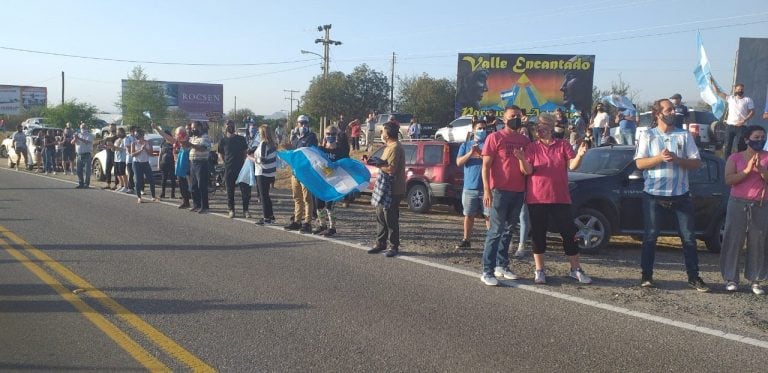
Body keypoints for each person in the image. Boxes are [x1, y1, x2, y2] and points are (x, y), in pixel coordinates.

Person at [634, 98, 709, 292]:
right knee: (650, 237)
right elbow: (640, 164)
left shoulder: (683, 136)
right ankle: (646, 276)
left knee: (689, 238)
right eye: (668, 110)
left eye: (674, 109)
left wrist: (677, 159)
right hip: (653, 195)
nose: (673, 112)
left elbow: (696, 163)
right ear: (658, 114)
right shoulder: (648, 135)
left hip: (680, 195)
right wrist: (659, 157)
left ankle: (694, 277)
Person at [518, 114, 592, 284]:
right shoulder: (532, 147)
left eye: (542, 126)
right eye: (537, 126)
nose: (539, 129)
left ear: (551, 127)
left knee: (568, 234)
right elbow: (527, 171)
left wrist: (580, 155)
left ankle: (575, 269)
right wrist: (522, 159)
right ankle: (539, 270)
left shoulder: (562, 145)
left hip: (560, 197)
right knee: (538, 235)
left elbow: (572, 165)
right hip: (537, 197)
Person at [478, 105, 530, 286]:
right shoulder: (495, 137)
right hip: (499, 191)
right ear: (504, 118)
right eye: (512, 115)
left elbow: (528, 166)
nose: (515, 118)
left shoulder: (524, 140)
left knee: (509, 230)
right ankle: (487, 270)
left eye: (518, 115)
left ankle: (502, 265)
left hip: (518, 190)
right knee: (495, 231)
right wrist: (486, 190)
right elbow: (485, 167)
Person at [720, 125, 768, 295]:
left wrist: (761, 170)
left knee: (759, 241)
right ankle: (731, 278)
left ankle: (756, 280)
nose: (760, 140)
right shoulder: (735, 157)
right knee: (733, 239)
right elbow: (729, 180)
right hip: (737, 203)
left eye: (763, 137)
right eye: (756, 137)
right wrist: (747, 170)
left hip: (761, 204)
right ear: (747, 139)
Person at [367, 121, 406, 258]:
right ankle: (380, 243)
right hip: (384, 189)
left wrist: (377, 165)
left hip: (393, 189)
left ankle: (393, 245)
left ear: (388, 134)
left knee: (390, 218)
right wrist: (373, 161)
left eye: (383, 131)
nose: (381, 134)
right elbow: (384, 163)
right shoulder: (388, 146)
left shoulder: (395, 147)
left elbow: (391, 169)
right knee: (380, 215)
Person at [455, 119, 490, 250]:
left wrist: (481, 154)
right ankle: (466, 240)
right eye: (479, 128)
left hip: (487, 188)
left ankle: (491, 242)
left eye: (484, 128)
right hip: (470, 187)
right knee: (469, 215)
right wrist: (470, 153)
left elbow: (493, 163)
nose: (482, 130)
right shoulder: (465, 145)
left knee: (489, 216)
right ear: (474, 130)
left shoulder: (489, 144)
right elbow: (459, 162)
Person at [283, 115, 318, 233]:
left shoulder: (311, 137)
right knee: (297, 197)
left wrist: (302, 137)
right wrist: (290, 143)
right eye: (300, 123)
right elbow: (293, 152)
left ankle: (307, 222)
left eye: (304, 123)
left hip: (306, 172)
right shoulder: (295, 138)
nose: (302, 125)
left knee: (307, 198)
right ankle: (297, 220)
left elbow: (310, 151)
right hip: (295, 171)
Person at [312, 126, 348, 236]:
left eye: (333, 134)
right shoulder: (320, 149)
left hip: (334, 182)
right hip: (321, 181)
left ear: (336, 135)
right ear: (324, 135)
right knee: (319, 205)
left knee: (330, 205)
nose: (330, 136)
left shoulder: (341, 150)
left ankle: (332, 227)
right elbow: (315, 162)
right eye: (328, 134)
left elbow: (345, 165)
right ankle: (322, 225)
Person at [712, 81, 755, 159]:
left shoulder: (748, 100)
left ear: (743, 90)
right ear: (735, 90)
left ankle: (741, 163)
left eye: (741, 89)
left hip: (742, 127)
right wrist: (713, 83)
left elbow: (752, 112)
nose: (740, 91)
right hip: (730, 126)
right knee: (728, 145)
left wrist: (744, 120)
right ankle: (727, 163)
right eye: (738, 89)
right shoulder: (730, 98)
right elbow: (718, 92)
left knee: (741, 145)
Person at [154, 123, 192, 209]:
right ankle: (185, 201)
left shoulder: (186, 141)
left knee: (187, 184)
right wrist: (157, 129)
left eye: (177, 134)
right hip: (178, 164)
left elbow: (171, 139)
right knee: (181, 184)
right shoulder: (177, 142)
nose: (175, 135)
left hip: (186, 164)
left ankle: (194, 201)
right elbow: (166, 137)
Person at [218, 120, 250, 218]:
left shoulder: (241, 139)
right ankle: (231, 210)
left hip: (241, 168)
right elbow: (221, 154)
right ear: (225, 127)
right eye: (228, 125)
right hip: (229, 169)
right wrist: (225, 163)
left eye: (231, 125)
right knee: (230, 191)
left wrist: (243, 162)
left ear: (234, 127)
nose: (230, 127)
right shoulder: (223, 141)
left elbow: (245, 152)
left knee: (245, 191)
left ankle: (246, 210)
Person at [252, 124, 277, 225]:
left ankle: (266, 218)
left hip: (262, 173)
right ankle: (271, 216)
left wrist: (251, 158)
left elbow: (262, 159)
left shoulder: (263, 144)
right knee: (266, 196)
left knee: (263, 196)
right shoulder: (272, 143)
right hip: (270, 173)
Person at [188, 121, 212, 213]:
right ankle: (196, 204)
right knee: (193, 186)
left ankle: (204, 206)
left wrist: (190, 145)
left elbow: (202, 148)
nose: (193, 130)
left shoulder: (205, 137)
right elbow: (188, 146)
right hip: (193, 163)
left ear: (200, 128)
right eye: (192, 128)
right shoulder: (193, 137)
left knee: (201, 185)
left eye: (195, 128)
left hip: (201, 163)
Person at [130, 129, 157, 203]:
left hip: (145, 163)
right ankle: (139, 197)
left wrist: (146, 149)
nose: (141, 138)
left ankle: (153, 196)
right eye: (139, 137)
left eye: (142, 136)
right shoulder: (134, 143)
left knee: (151, 179)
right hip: (137, 163)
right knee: (138, 180)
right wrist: (141, 150)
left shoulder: (148, 143)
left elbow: (151, 154)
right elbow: (132, 154)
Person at [72, 123, 94, 188]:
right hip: (79, 155)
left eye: (84, 127)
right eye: (82, 127)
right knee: (79, 170)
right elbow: (72, 142)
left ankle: (86, 184)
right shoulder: (78, 134)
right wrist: (75, 138)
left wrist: (79, 138)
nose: (83, 129)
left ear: (86, 128)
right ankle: (81, 183)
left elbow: (87, 142)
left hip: (87, 154)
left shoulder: (90, 135)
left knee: (87, 171)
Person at [158, 130, 177, 199]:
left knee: (173, 179)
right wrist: (158, 164)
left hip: (172, 163)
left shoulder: (173, 142)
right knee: (164, 179)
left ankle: (173, 194)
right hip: (164, 163)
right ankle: (163, 193)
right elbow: (160, 154)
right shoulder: (163, 143)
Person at [102, 123, 117, 189]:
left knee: (116, 170)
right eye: (111, 127)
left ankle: (116, 184)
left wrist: (112, 145)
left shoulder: (117, 136)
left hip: (115, 154)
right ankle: (108, 184)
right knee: (107, 169)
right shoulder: (107, 136)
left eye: (113, 127)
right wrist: (103, 146)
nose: (112, 128)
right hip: (108, 154)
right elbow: (104, 145)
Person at [113, 128, 128, 192]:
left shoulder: (125, 139)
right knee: (117, 173)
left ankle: (126, 186)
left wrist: (115, 147)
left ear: (122, 132)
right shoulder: (116, 140)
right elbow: (113, 149)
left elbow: (123, 149)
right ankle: (121, 185)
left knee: (122, 173)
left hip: (122, 159)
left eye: (118, 132)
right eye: (117, 132)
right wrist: (111, 147)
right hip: (116, 158)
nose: (117, 133)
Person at [123, 126, 136, 193]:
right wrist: (135, 149)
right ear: (131, 131)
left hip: (136, 159)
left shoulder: (137, 137)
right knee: (130, 173)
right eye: (134, 130)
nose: (135, 132)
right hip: (130, 159)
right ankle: (130, 188)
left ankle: (136, 187)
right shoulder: (127, 138)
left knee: (136, 174)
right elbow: (128, 147)